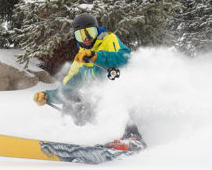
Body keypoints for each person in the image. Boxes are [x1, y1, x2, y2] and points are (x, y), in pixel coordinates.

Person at [33, 13, 145, 151]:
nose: (86, 38)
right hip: (96, 105)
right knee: (74, 98)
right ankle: (74, 137)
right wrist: (48, 96)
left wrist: (96, 56)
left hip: (119, 92)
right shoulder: (81, 59)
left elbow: (125, 57)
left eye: (89, 33)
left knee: (114, 92)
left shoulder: (109, 40)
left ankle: (132, 137)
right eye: (80, 35)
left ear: (97, 30)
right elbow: (68, 87)